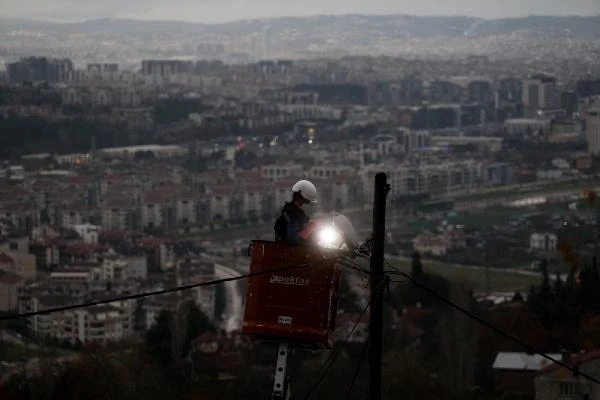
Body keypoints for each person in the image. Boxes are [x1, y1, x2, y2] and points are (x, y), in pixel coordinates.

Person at [274, 180, 318, 245]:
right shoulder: (292, 215)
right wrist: (309, 229)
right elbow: (293, 239)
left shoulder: (297, 214)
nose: (309, 206)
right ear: (299, 200)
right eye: (307, 202)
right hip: (291, 252)